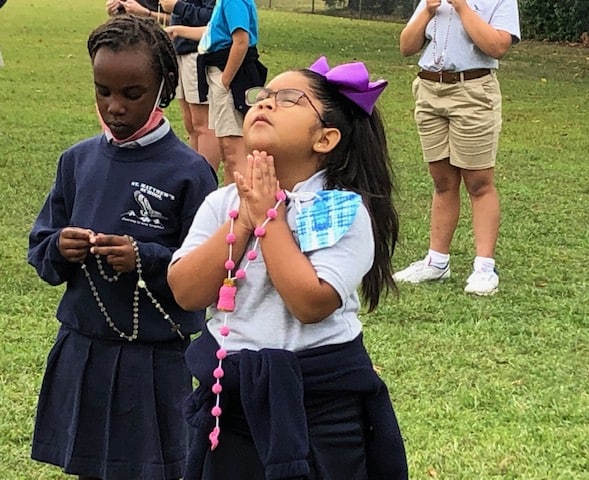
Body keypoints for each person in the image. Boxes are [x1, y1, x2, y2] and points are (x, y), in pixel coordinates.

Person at [167, 57, 408, 479]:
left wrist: (268, 219)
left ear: (326, 139)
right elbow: (186, 292)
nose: (265, 104)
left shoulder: (341, 210)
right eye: (262, 97)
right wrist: (243, 220)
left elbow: (310, 301)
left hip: (319, 407)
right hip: (231, 402)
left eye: (289, 99)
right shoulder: (222, 203)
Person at [27, 14, 217, 480]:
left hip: (152, 357)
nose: (115, 107)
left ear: (163, 89)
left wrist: (144, 257)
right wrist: (59, 247)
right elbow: (40, 250)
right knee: (90, 466)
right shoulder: (76, 161)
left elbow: (208, 272)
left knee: (154, 470)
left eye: (132, 94)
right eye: (103, 91)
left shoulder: (190, 172)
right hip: (83, 346)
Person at [395, 0, 520, 295]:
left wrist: (463, 6)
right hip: (429, 91)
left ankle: (484, 268)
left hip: (473, 93)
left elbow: (497, 46)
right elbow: (406, 46)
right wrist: (427, 10)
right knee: (442, 180)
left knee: (478, 183)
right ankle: (437, 262)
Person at [106, 0, 222, 170]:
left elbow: (214, 19)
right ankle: (195, 173)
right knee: (190, 124)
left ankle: (205, 180)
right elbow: (167, 15)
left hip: (199, 54)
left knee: (203, 124)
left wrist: (176, 6)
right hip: (180, 51)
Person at [165, 0, 267, 185]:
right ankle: (228, 204)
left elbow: (241, 41)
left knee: (233, 150)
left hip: (231, 75)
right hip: (221, 72)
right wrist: (178, 30)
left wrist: (225, 80)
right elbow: (214, 32)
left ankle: (240, 205)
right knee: (227, 149)